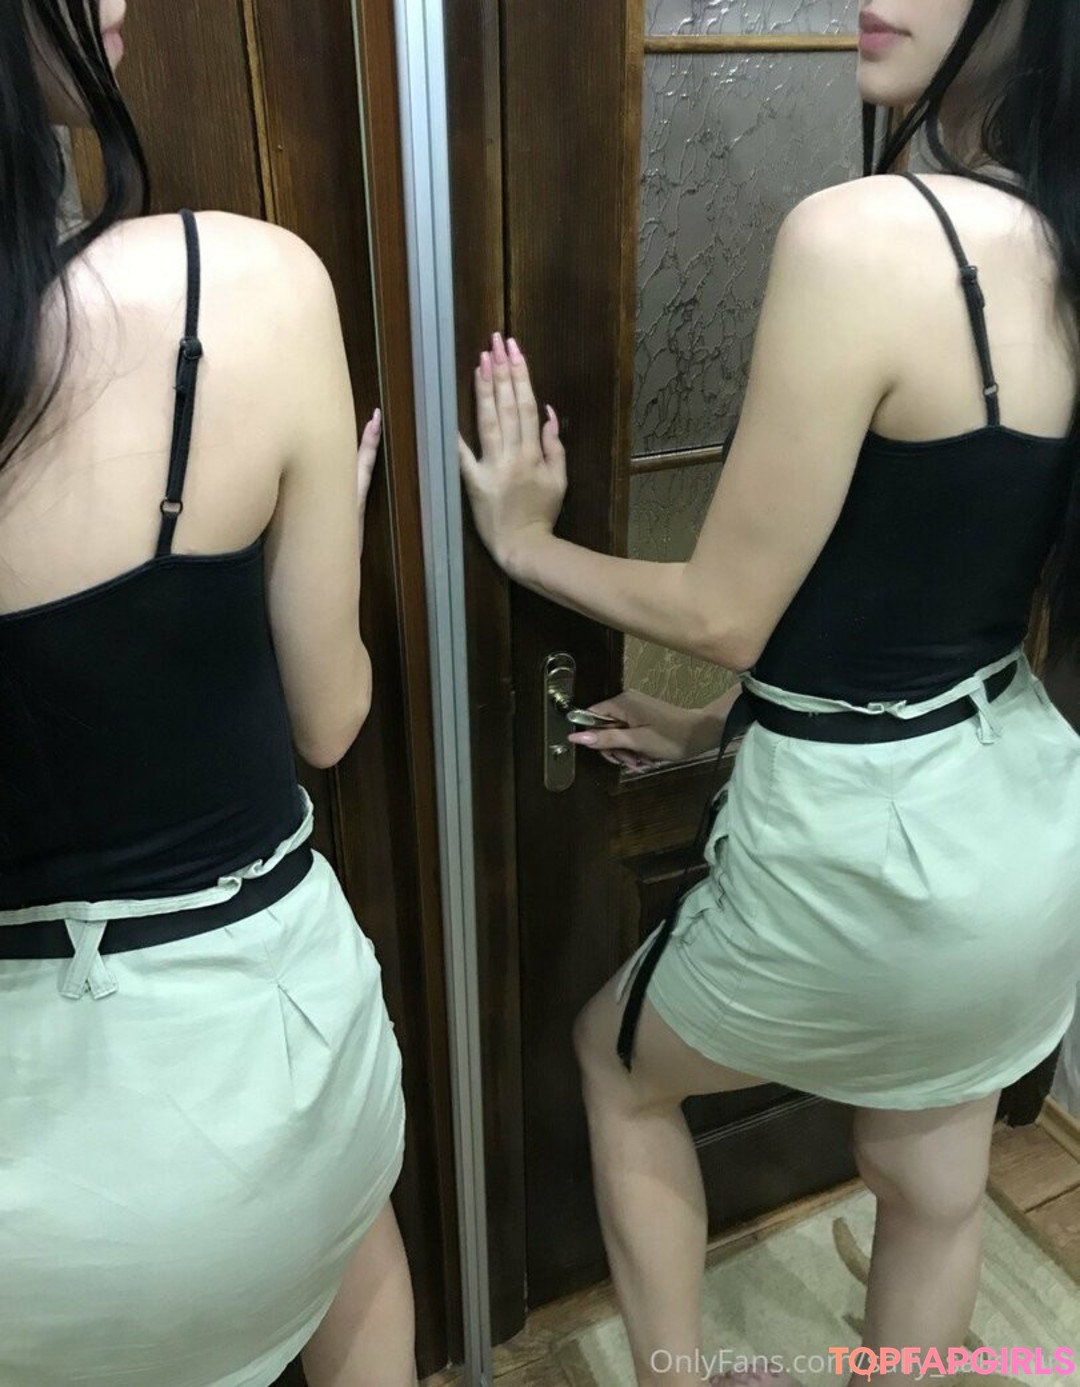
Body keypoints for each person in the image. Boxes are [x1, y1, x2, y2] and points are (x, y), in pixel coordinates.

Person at [458, 2, 1080, 1384]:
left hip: (872, 850)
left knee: (615, 1065)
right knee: (932, 1181)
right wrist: (714, 726)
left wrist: (526, 542)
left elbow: (723, 612)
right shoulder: (1063, 237)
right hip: (1023, 822)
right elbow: (932, 582)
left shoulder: (862, 236)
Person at [0, 4, 414, 1385]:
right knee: (361, 1272)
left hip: (30, 1197)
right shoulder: (242, 286)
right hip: (259, 1051)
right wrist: (318, 523)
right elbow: (330, 720)